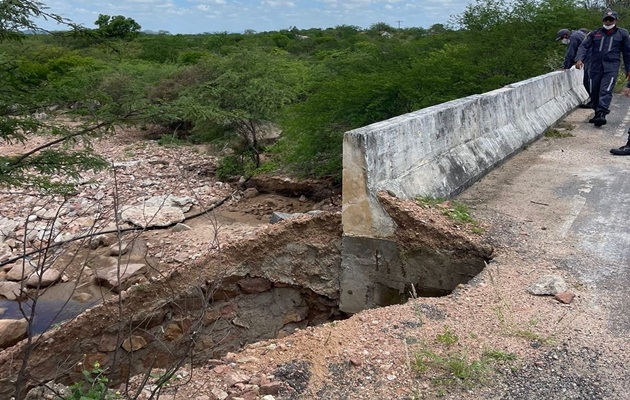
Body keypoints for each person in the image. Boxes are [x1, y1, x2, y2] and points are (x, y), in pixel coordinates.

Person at [575, 10, 630, 127]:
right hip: (595, 66)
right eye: (606, 19)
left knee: (606, 90)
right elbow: (583, 46)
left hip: (612, 66)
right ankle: (597, 112)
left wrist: (628, 69)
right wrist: (579, 59)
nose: (608, 22)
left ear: (616, 20)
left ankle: (602, 114)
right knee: (593, 90)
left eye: (611, 19)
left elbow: (627, 52)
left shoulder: (622, 34)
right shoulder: (595, 33)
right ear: (602, 20)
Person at [555, 28, 591, 108]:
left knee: (587, 81)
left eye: (562, 38)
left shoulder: (573, 37)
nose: (562, 40)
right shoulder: (579, 33)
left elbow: (571, 53)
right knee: (590, 80)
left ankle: (594, 102)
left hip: (590, 59)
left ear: (565, 35)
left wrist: (566, 66)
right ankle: (594, 100)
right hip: (592, 58)